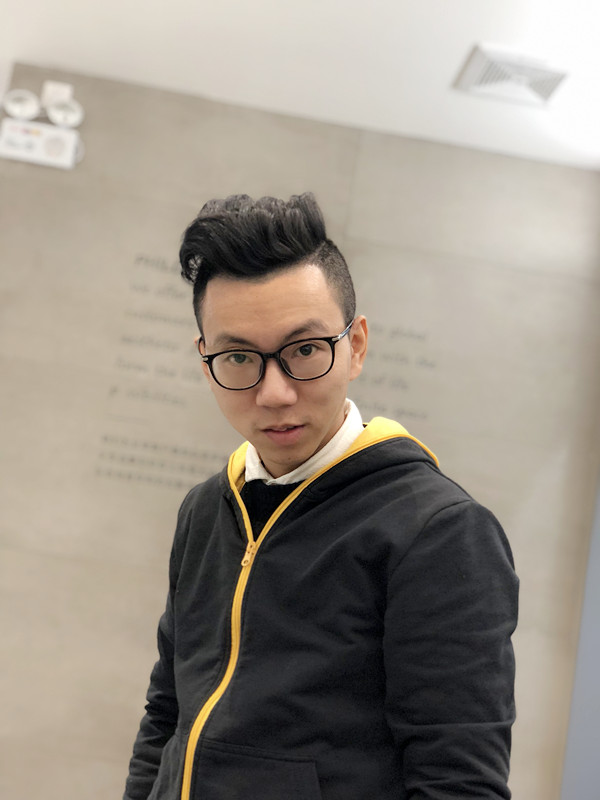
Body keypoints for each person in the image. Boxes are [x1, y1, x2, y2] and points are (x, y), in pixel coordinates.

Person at [123, 193, 518, 800]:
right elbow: (167, 714)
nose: (274, 393)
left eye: (304, 350)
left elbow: (458, 782)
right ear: (206, 362)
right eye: (239, 357)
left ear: (355, 346)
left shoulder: (438, 531)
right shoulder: (207, 508)